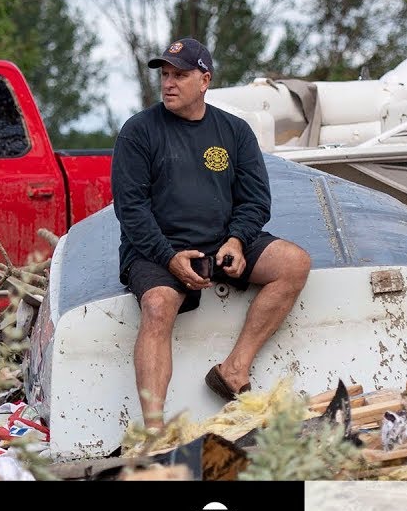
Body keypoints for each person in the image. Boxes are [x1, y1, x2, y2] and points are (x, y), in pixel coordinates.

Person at [111, 37, 312, 430]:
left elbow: (256, 200)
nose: (169, 83)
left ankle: (234, 369)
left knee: (294, 263)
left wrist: (237, 240)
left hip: (223, 242)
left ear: (204, 80)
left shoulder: (234, 131)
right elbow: (130, 210)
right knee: (157, 305)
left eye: (180, 75)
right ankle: (154, 431)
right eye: (165, 75)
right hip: (156, 250)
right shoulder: (138, 132)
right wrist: (168, 257)